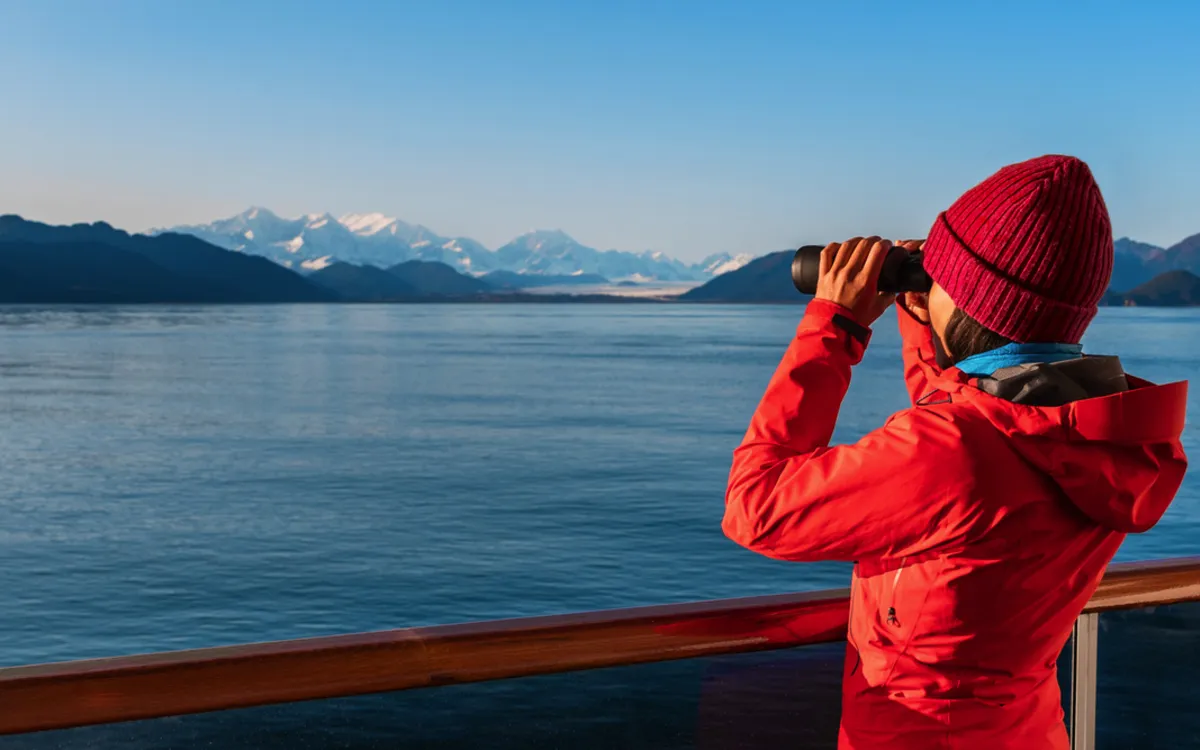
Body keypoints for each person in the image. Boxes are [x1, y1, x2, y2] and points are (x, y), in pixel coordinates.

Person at [722, 154, 1189, 749]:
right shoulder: (1092, 429)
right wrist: (929, 314)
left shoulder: (952, 453)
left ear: (966, 301)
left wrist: (833, 329)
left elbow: (754, 508)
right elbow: (967, 419)